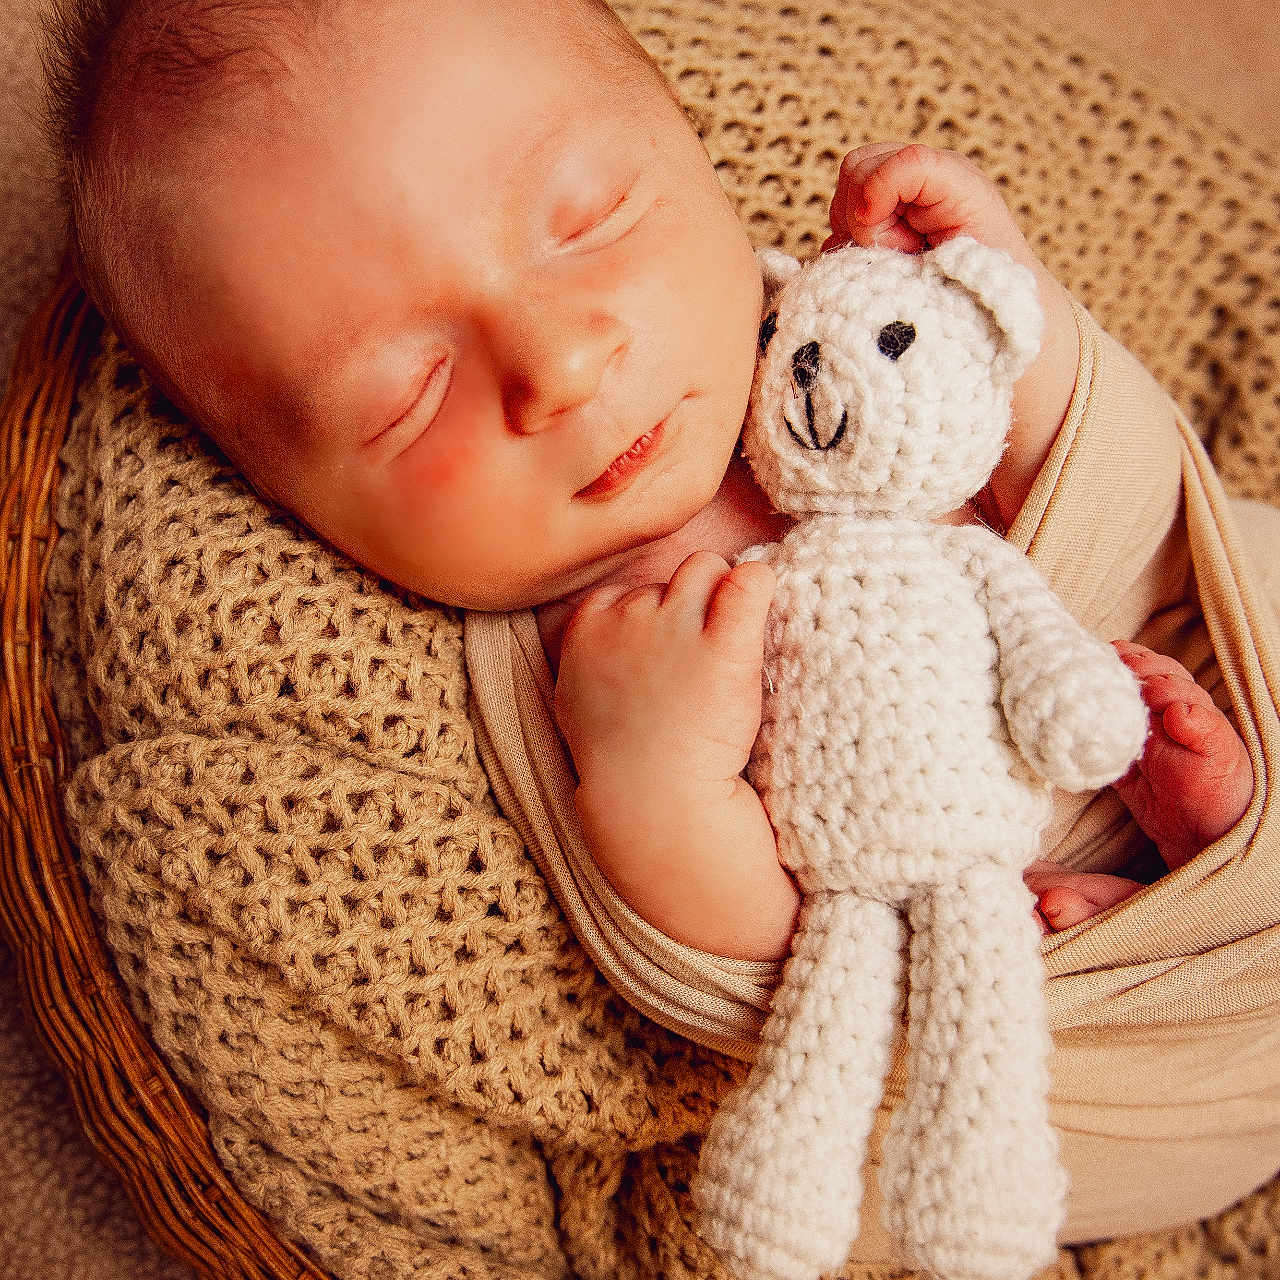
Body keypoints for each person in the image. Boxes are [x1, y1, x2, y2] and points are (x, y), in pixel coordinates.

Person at [42, 0, 1252, 963]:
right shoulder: (574, 673)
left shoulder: (818, 328)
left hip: (1181, 653)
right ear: (290, 508)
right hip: (1015, 945)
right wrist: (652, 782)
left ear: (689, 146)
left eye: (592, 218)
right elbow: (741, 978)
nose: (560, 365)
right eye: (404, 397)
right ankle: (1185, 916)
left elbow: (1122, 509)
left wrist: (997, 305)